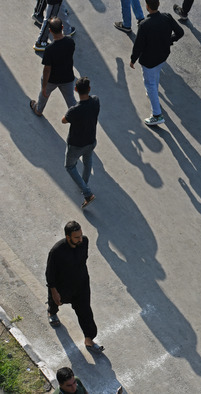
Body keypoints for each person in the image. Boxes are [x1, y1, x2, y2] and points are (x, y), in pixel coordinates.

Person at [46, 221, 104, 354]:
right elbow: (50, 274)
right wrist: (54, 291)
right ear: (68, 237)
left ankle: (89, 340)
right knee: (55, 301)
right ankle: (52, 312)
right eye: (77, 237)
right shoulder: (56, 251)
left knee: (86, 312)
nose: (80, 239)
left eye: (81, 235)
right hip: (63, 286)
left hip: (81, 285)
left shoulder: (85, 242)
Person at [130, 0, 184, 126]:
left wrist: (133, 60)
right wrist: (170, 40)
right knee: (155, 75)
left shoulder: (144, 25)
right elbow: (180, 33)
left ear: (147, 6)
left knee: (149, 84)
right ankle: (153, 93)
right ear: (158, 4)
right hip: (163, 56)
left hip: (149, 60)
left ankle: (157, 115)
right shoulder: (167, 17)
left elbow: (138, 46)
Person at [61, 77, 100, 209]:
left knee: (70, 167)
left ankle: (87, 193)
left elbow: (64, 120)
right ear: (89, 89)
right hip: (91, 141)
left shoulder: (75, 110)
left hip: (76, 145)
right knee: (88, 161)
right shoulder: (95, 101)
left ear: (75, 89)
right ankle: (84, 184)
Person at [30, 17, 77, 117]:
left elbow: (47, 70)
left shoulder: (49, 49)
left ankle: (38, 110)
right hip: (67, 77)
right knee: (71, 100)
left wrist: (44, 87)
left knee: (44, 95)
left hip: (52, 79)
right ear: (62, 27)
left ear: (50, 31)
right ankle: (76, 117)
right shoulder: (70, 42)